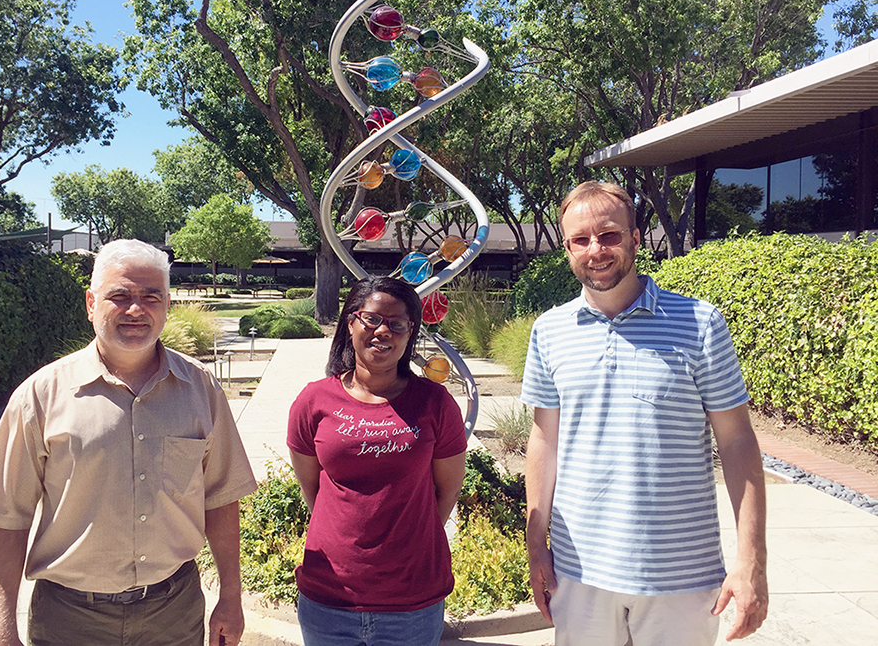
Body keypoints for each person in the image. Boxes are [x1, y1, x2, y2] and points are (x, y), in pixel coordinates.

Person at [0, 239, 258, 646]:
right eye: (120, 296)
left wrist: (231, 597)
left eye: (151, 297)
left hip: (173, 613)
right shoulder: (40, 396)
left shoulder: (201, 389)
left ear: (167, 305)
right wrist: (2, 630)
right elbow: (6, 519)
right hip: (70, 621)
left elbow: (222, 500)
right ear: (90, 303)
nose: (136, 309)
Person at [522, 181, 768, 646]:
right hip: (580, 573)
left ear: (636, 239)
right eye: (580, 239)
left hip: (682, 577)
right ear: (567, 248)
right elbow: (543, 441)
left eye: (610, 235)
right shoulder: (549, 331)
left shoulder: (700, 323)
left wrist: (751, 559)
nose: (596, 250)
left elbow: (737, 442)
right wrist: (537, 545)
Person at [286, 276, 468, 646]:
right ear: (350, 323)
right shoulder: (313, 401)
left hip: (412, 601)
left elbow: (446, 490)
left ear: (409, 332)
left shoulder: (435, 403)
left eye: (396, 323)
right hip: (328, 596)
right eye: (371, 319)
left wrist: (409, 537)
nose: (382, 331)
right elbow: (313, 488)